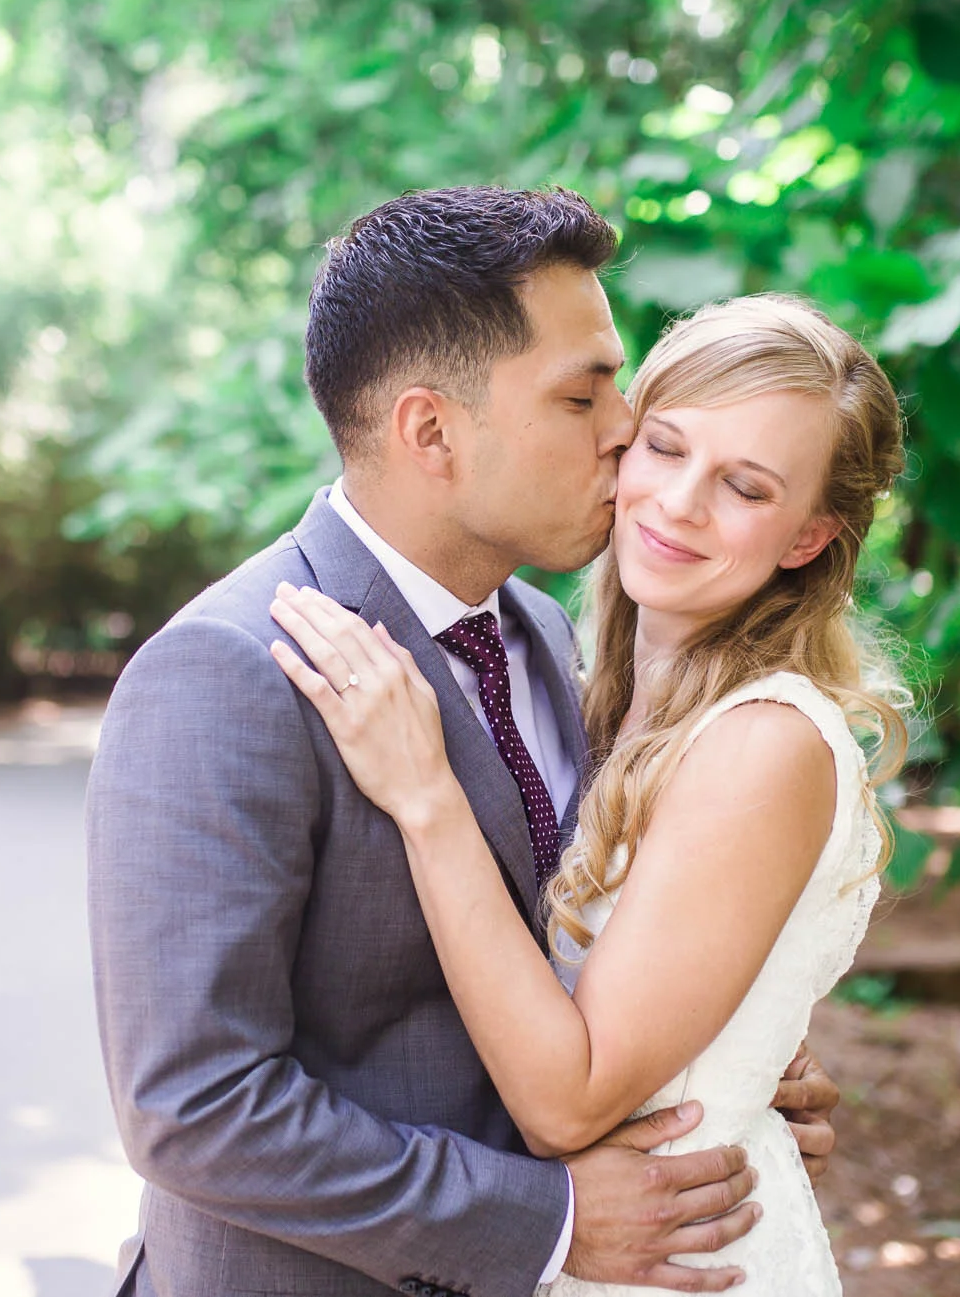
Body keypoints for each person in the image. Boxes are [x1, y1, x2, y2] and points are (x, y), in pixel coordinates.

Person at [86, 187, 845, 1297]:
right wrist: (546, 1219)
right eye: (582, 395)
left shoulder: (539, 632)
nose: (625, 430)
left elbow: (579, 939)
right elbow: (193, 1108)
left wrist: (724, 1057)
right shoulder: (229, 671)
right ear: (430, 431)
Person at [267, 291, 909, 1295]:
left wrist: (425, 795)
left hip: (676, 1263)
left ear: (804, 538)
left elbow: (565, 1105)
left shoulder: (762, 742)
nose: (680, 502)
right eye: (664, 446)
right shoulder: (576, 686)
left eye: (743, 485)